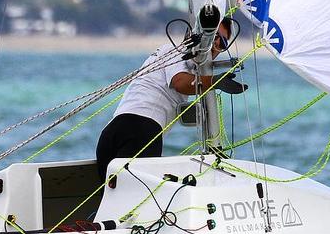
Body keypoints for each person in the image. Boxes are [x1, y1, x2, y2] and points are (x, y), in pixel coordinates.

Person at [95, 22, 247, 180]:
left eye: (222, 42)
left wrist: (212, 79)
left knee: (115, 200)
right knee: (136, 200)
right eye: (213, 36)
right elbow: (180, 82)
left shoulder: (184, 63)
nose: (215, 43)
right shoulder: (175, 51)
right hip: (141, 131)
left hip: (112, 133)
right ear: (192, 34)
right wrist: (215, 81)